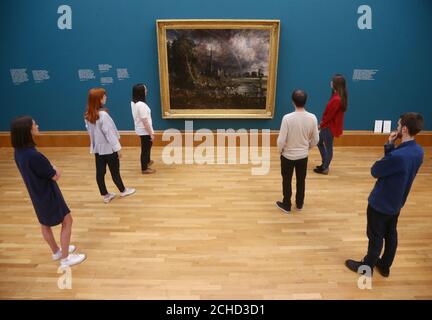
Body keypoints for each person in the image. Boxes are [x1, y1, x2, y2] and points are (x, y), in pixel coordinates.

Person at [345, 113, 424, 277]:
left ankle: (367, 267)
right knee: (391, 234)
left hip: (380, 203)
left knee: (375, 237)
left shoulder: (398, 156)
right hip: (396, 202)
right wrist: (390, 145)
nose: (396, 128)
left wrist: (389, 146)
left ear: (404, 129)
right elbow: (395, 168)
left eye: (398, 125)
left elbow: (375, 170)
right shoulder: (418, 151)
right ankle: (385, 265)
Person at [11, 116, 86, 268]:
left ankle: (57, 252)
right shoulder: (34, 155)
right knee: (67, 221)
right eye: (34, 125)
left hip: (36, 194)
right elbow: (55, 175)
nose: (37, 126)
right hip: (48, 194)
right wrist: (54, 166)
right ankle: (65, 259)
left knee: (45, 224)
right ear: (28, 131)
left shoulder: (18, 152)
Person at [84, 88, 135, 203]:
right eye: (104, 96)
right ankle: (123, 190)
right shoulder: (103, 115)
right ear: (99, 100)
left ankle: (105, 195)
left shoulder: (88, 115)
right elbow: (110, 134)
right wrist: (118, 149)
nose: (106, 97)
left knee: (100, 172)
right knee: (115, 171)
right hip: (109, 149)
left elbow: (90, 133)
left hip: (98, 149)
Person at [276, 89, 319, 213]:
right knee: (301, 180)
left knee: (287, 180)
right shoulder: (312, 118)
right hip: (303, 156)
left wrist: (280, 151)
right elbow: (316, 139)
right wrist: (307, 147)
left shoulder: (287, 118)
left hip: (287, 156)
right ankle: (299, 203)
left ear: (292, 101)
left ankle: (286, 204)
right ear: (305, 101)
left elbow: (281, 140)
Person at [314, 74, 348, 175]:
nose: (330, 83)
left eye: (332, 81)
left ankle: (325, 167)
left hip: (329, 127)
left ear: (336, 84)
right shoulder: (337, 96)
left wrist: (321, 124)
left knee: (328, 147)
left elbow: (330, 115)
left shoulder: (337, 99)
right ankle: (325, 163)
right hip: (328, 126)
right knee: (319, 142)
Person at [131, 84, 155, 174]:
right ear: (141, 92)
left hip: (141, 129)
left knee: (147, 147)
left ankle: (147, 161)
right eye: (145, 89)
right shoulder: (141, 105)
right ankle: (144, 168)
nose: (147, 91)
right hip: (144, 130)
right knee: (145, 149)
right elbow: (145, 121)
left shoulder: (134, 102)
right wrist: (151, 134)